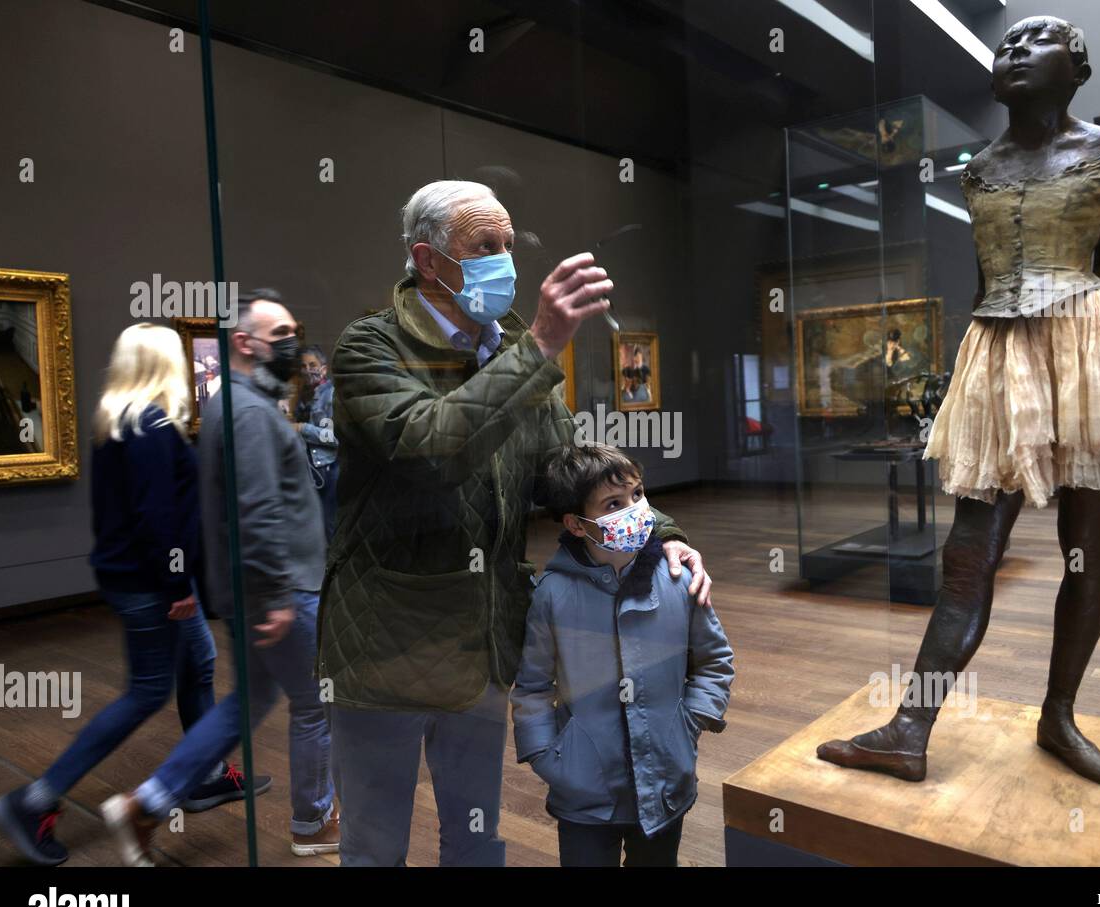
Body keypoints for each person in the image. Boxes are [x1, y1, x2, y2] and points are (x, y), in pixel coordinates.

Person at [319, 180, 713, 866]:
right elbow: (430, 449)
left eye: (508, 245)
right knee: (375, 843)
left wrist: (665, 534)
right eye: (485, 247)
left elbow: (573, 478)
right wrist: (538, 347)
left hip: (482, 646)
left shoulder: (510, 356)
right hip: (382, 649)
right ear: (429, 260)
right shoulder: (367, 347)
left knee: (474, 838)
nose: (504, 261)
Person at [818, 16, 1100, 787]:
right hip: (999, 346)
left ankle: (1059, 715)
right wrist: (972, 375)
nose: (1012, 49)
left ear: (1077, 64)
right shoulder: (979, 169)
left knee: (1086, 540)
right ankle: (910, 726)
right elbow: (983, 280)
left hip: (1084, 343)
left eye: (1035, 40)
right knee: (969, 554)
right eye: (1005, 43)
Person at [0, 323, 246, 866]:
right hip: (154, 584)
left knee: (198, 660)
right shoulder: (150, 424)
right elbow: (157, 517)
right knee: (146, 692)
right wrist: (178, 585)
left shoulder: (120, 420)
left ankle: (201, 774)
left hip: (135, 577)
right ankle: (33, 800)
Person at [100, 291, 337, 864]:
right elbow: (257, 509)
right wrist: (279, 594)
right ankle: (313, 821)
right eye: (279, 333)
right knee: (315, 706)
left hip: (252, 590)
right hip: (280, 591)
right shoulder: (250, 412)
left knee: (245, 705)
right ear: (243, 342)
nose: (291, 343)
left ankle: (147, 803)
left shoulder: (236, 402)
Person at [512, 444, 734, 866]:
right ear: (577, 525)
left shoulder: (679, 579)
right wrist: (547, 756)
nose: (633, 509)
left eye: (636, 495)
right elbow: (533, 685)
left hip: (667, 781)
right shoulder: (553, 594)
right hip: (583, 791)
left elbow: (714, 661)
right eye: (614, 503)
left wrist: (687, 727)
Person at [294, 345, 339, 541]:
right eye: (303, 366)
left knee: (328, 526)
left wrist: (303, 429)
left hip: (328, 468)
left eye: (312, 364)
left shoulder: (331, 395)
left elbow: (334, 438)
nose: (308, 370)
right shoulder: (303, 395)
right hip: (310, 468)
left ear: (323, 368)